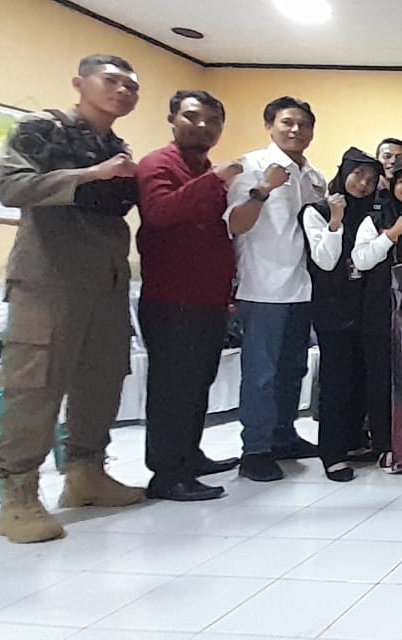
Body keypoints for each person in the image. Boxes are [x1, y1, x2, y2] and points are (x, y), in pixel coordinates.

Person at [0, 54, 145, 543]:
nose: (122, 91)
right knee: (36, 385)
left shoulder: (117, 147)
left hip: (106, 279)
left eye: (131, 86)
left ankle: (86, 474)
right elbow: (10, 187)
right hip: (49, 279)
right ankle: (17, 497)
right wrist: (89, 175)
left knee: (103, 377)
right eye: (111, 81)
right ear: (80, 83)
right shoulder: (43, 128)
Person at [134, 90, 241, 503]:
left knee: (198, 384)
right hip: (171, 300)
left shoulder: (207, 170)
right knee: (172, 388)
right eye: (192, 117)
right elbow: (160, 212)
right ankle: (166, 473)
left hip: (209, 300)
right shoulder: (158, 164)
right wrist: (214, 181)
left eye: (213, 121)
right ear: (172, 119)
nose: (203, 127)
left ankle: (189, 456)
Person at [224, 96, 327, 482]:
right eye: (287, 122)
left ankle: (284, 437)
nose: (296, 130)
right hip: (262, 288)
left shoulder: (314, 176)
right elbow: (235, 224)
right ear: (270, 126)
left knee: (292, 369)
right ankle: (255, 450)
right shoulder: (250, 167)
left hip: (303, 287)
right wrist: (264, 188)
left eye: (304, 124)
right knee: (261, 374)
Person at [302, 149, 393, 482]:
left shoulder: (372, 213)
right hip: (332, 306)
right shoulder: (317, 211)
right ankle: (332, 453)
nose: (363, 184)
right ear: (343, 173)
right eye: (357, 175)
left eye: (370, 179)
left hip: (365, 307)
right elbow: (325, 260)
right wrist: (336, 222)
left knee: (359, 378)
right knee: (336, 381)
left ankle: (354, 442)